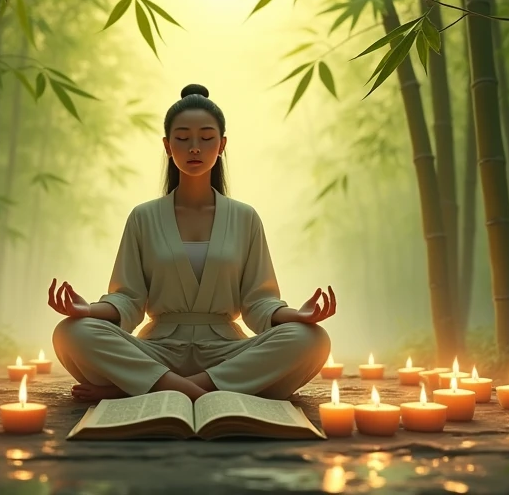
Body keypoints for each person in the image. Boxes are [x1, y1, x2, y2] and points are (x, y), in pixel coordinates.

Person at [50, 84, 335, 403]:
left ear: (222, 144)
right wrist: (88, 310)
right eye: (183, 138)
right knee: (71, 332)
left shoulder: (244, 218)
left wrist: (296, 317)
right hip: (158, 351)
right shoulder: (143, 217)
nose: (195, 148)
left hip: (226, 353)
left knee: (312, 339)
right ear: (168, 146)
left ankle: (147, 388)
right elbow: (129, 299)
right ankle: (197, 388)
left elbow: (258, 303)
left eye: (206, 138)